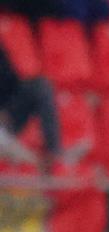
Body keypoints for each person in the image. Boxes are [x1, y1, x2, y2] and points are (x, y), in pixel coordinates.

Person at [0, 42, 88, 172]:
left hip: (7, 110)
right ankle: (41, 162)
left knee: (40, 86)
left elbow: (10, 80)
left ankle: (54, 152)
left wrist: (4, 108)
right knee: (3, 139)